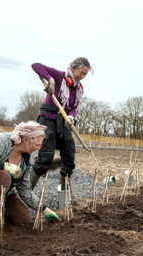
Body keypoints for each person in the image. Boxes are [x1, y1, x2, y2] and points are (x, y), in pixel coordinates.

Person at [29, 57, 93, 190]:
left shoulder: (79, 88)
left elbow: (75, 108)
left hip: (63, 122)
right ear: (73, 68)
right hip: (48, 118)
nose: (82, 77)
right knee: (45, 159)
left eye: (85, 74)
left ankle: (61, 198)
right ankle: (24, 194)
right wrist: (50, 79)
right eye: (81, 72)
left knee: (69, 160)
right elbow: (35, 65)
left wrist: (71, 116)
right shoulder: (58, 76)